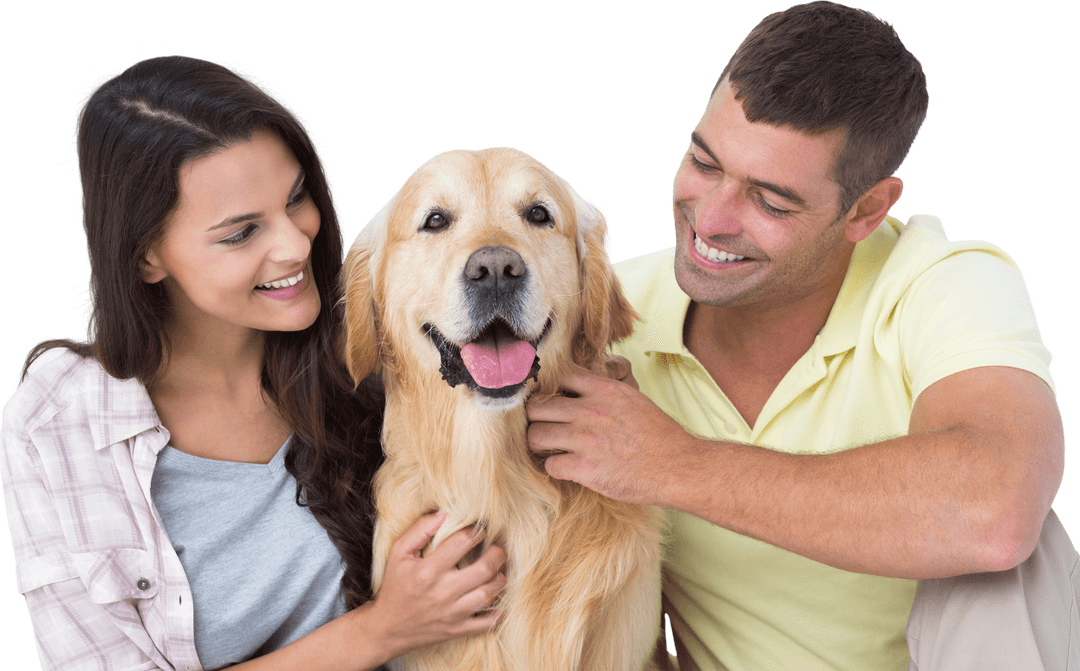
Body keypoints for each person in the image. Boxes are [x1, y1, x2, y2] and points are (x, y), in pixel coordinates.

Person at [526, 2, 1077, 670]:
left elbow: (996, 509)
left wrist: (671, 462)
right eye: (703, 162)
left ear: (866, 209)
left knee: (1016, 545)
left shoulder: (943, 282)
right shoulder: (607, 316)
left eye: (771, 201)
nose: (713, 218)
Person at [0, 55, 506, 671]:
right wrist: (382, 629)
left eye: (296, 199)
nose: (296, 245)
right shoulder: (58, 426)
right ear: (144, 258)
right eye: (241, 233)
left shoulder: (388, 345)